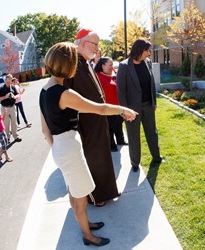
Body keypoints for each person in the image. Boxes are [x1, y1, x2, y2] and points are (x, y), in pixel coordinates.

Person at [40, 42, 137, 246]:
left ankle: (86, 223)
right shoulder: (63, 93)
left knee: (74, 191)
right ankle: (88, 236)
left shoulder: (45, 90)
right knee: (80, 198)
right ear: (68, 66)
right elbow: (100, 109)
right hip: (69, 149)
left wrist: (58, 148)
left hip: (60, 147)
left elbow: (44, 130)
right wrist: (122, 109)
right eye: (74, 63)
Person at [64, 28, 122, 206]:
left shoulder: (84, 62)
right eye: (95, 44)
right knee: (95, 159)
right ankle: (97, 196)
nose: (98, 49)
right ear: (83, 43)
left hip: (97, 119)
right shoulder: (72, 64)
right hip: (87, 122)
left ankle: (107, 191)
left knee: (103, 157)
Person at [116, 38, 162, 172]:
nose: (149, 54)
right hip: (132, 109)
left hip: (148, 106)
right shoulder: (124, 66)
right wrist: (125, 110)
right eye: (147, 51)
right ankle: (135, 163)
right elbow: (121, 91)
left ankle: (157, 157)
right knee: (134, 135)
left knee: (152, 133)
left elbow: (151, 84)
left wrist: (154, 102)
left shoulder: (147, 63)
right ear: (140, 50)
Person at [95, 57, 127, 152]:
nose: (112, 67)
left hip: (118, 104)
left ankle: (120, 140)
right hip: (107, 107)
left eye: (112, 64)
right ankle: (111, 145)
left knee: (119, 123)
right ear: (103, 66)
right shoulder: (97, 76)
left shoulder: (113, 73)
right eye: (110, 65)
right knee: (110, 127)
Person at [0, 74, 22, 143]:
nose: (10, 80)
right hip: (4, 108)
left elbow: (18, 94)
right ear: (5, 79)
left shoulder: (13, 87)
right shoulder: (1, 89)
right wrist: (5, 97)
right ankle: (7, 137)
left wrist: (15, 97)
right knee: (6, 123)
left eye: (11, 79)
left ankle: (16, 136)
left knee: (14, 122)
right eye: (8, 78)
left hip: (12, 106)